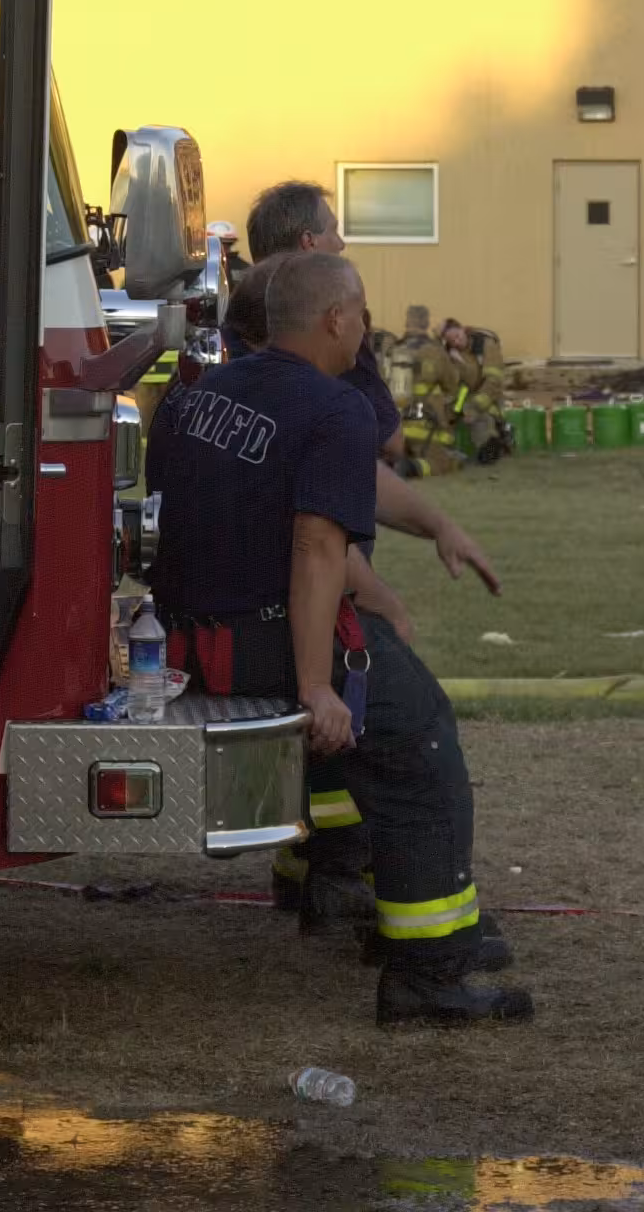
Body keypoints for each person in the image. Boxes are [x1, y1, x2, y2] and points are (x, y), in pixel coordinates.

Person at [147, 252, 533, 1026]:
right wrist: (318, 684)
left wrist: (433, 528)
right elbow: (319, 547)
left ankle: (342, 887)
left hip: (187, 645)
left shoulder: (194, 396)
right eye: (360, 313)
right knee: (418, 735)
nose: (364, 327)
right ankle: (428, 966)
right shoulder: (334, 408)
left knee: (377, 727)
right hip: (264, 641)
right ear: (334, 319)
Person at [235, 181, 501, 924]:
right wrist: (369, 593)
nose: (344, 242)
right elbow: (310, 522)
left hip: (261, 604)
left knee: (329, 733)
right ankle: (429, 943)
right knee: (410, 732)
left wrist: (437, 524)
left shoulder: (246, 363)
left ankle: (316, 865)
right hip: (301, 594)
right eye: (334, 231)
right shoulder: (313, 381)